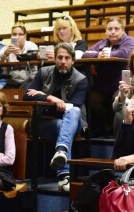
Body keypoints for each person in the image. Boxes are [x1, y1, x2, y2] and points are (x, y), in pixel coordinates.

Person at [24, 43, 88, 192]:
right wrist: (51, 98)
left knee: (74, 112)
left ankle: (61, 157)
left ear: (73, 60)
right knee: (62, 126)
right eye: (60, 57)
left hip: (73, 121)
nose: (63, 61)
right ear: (55, 59)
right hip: (44, 123)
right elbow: (27, 94)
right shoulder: (44, 72)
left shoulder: (81, 79)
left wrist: (50, 100)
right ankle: (64, 172)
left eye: (67, 58)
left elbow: (76, 104)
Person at [81, 17, 134, 137]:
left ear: (122, 30)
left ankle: (117, 132)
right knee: (92, 99)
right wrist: (98, 54)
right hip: (103, 85)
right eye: (110, 29)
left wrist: (108, 54)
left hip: (122, 83)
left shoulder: (129, 40)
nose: (113, 32)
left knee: (116, 100)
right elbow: (86, 54)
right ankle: (103, 129)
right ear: (105, 31)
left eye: (116, 29)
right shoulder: (102, 43)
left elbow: (125, 53)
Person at [0, 22, 39, 88]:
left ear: (25, 36)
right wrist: (5, 53)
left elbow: (33, 58)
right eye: (14, 34)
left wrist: (22, 56)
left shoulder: (32, 46)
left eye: (20, 34)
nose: (17, 37)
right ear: (11, 36)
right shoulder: (8, 48)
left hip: (30, 80)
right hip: (13, 81)